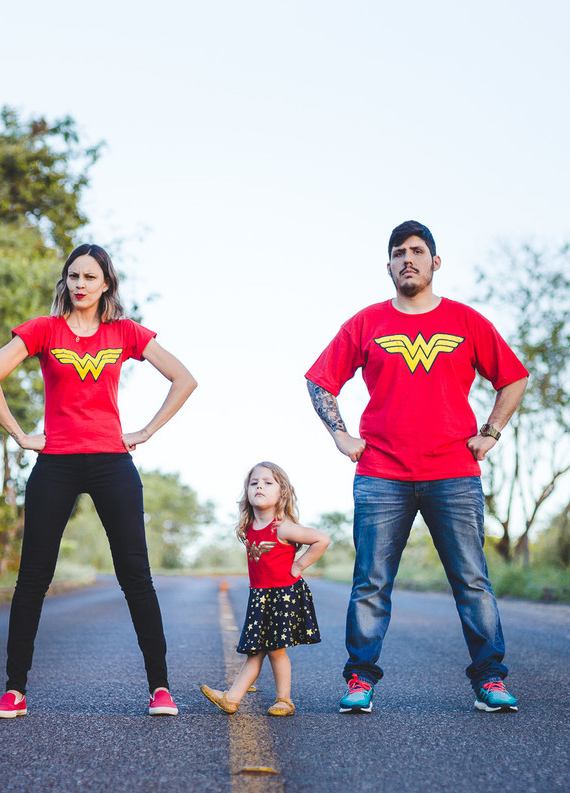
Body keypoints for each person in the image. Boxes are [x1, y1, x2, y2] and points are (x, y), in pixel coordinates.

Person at [305, 220, 529, 714]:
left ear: (435, 261)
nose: (407, 259)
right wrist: (340, 434)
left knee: (471, 581)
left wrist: (490, 432)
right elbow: (320, 380)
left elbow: (513, 377)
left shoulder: (466, 321)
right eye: (398, 253)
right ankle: (360, 680)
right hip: (382, 474)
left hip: (454, 472)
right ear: (388, 266)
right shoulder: (365, 323)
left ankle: (490, 680)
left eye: (417, 251)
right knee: (371, 582)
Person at [0, 243, 197, 719]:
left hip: (111, 460)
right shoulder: (43, 329)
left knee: (135, 576)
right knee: (33, 578)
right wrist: (20, 435)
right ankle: (14, 691)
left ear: (106, 284)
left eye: (90, 277)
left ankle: (160, 688)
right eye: (73, 276)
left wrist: (146, 432)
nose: (80, 284)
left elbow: (184, 379)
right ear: (65, 281)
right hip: (56, 461)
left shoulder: (125, 332)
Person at [200, 462, 330, 716]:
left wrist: (299, 565)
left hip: (282, 595)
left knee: (275, 650)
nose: (259, 486)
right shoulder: (249, 526)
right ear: (247, 492)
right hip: (260, 596)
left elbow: (321, 539)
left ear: (281, 493)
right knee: (256, 651)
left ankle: (284, 700)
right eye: (254, 483)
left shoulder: (282, 526)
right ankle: (232, 698)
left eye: (268, 482)